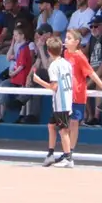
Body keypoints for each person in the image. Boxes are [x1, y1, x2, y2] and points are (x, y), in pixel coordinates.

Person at [62, 28, 102, 152]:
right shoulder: (65, 54)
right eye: (66, 38)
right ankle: (66, 151)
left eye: (69, 38)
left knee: (73, 124)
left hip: (77, 96)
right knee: (63, 126)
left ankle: (70, 152)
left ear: (76, 41)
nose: (65, 40)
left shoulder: (80, 56)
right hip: (65, 95)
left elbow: (91, 73)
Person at [33, 35, 75, 168]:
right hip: (65, 101)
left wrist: (39, 81)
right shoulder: (67, 63)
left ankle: (68, 158)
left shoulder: (53, 66)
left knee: (63, 131)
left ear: (49, 51)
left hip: (60, 103)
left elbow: (54, 87)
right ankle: (50, 154)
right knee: (51, 126)